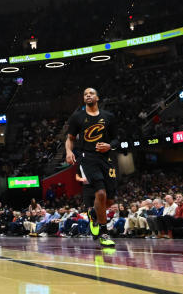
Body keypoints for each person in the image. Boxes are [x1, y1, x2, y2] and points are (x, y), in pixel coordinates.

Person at [65, 87, 118, 248]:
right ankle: (104, 233)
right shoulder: (77, 117)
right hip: (88, 158)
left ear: (97, 97)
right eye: (85, 94)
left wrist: (109, 145)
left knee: (108, 201)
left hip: (107, 159)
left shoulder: (108, 117)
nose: (88, 95)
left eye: (91, 93)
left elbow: (116, 139)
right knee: (100, 193)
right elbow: (70, 138)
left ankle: (93, 214)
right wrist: (68, 151)